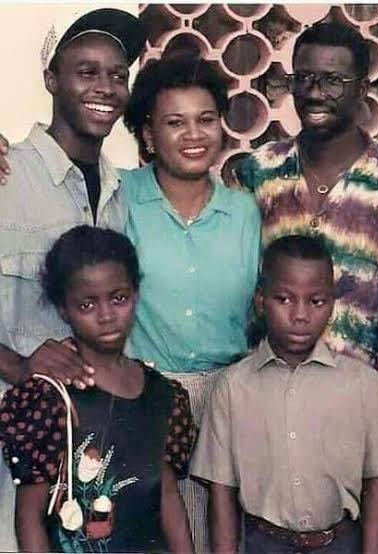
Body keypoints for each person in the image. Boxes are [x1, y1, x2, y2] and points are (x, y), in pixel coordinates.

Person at [0, 9, 146, 550]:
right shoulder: (7, 176)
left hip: (94, 459)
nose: (105, 87)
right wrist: (17, 365)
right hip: (10, 461)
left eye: (117, 75)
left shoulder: (121, 192)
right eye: (86, 72)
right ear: (51, 80)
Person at [191, 235, 378, 554]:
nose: (300, 315)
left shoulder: (365, 385)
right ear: (261, 301)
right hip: (264, 544)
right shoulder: (232, 387)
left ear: (333, 305)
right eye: (284, 299)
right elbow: (221, 495)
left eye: (316, 301)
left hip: (341, 544)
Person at [232, 22, 378, 367]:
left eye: (333, 81)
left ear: (362, 89)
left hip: (360, 386)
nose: (314, 93)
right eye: (304, 78)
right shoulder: (260, 170)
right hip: (268, 381)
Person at [121, 54, 261, 552]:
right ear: (148, 134)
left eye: (205, 119)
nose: (194, 135)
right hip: (144, 402)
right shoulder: (117, 197)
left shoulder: (246, 212)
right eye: (174, 123)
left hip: (230, 401)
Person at [0, 225, 196, 553]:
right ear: (63, 309)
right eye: (87, 305)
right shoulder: (47, 398)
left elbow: (168, 497)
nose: (106, 316)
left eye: (119, 298)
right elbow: (29, 517)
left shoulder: (164, 395)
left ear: (136, 294)